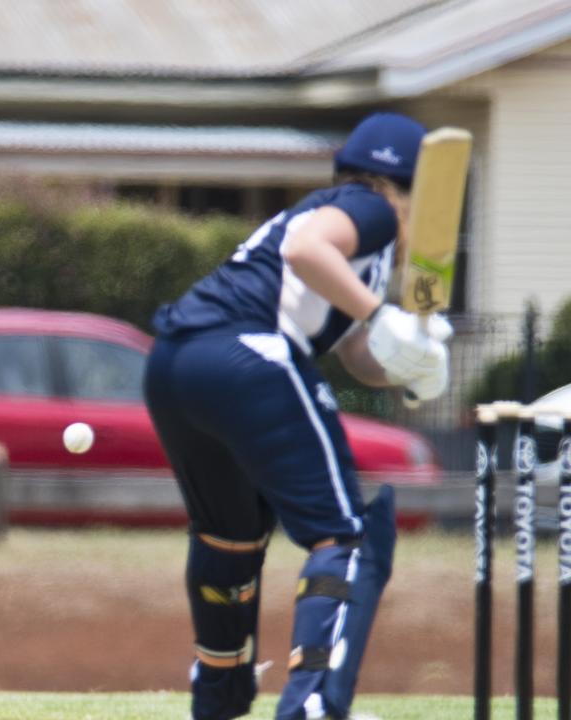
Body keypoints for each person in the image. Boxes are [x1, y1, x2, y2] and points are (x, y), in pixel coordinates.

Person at [143, 112, 452, 720]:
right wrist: (379, 313)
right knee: (348, 535)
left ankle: (218, 698)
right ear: (408, 188)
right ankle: (312, 707)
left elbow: (356, 354)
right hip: (247, 353)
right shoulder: (373, 209)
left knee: (227, 537)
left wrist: (409, 367)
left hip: (175, 361)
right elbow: (305, 251)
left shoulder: (341, 233)